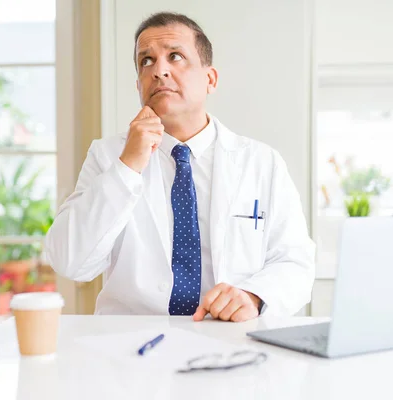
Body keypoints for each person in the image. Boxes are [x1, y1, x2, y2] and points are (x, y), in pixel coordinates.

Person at [45, 12, 315, 322]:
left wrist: (254, 296)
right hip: (131, 345)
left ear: (209, 79)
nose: (159, 70)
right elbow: (70, 261)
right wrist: (127, 166)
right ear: (138, 85)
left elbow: (296, 262)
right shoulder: (108, 156)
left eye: (175, 56)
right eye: (146, 61)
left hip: (230, 339)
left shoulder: (261, 163)